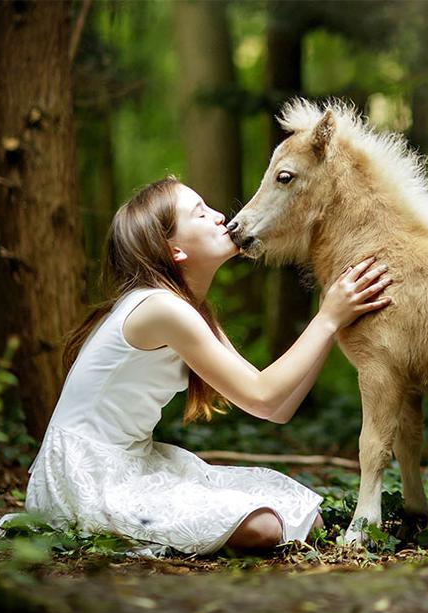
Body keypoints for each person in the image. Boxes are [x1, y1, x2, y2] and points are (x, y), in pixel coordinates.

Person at [21, 175, 392, 555]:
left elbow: (276, 408)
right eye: (200, 213)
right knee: (267, 526)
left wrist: (329, 320)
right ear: (174, 250)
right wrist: (328, 318)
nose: (219, 216)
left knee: (304, 516)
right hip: (87, 476)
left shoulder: (189, 309)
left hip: (134, 461)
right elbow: (263, 397)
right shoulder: (160, 307)